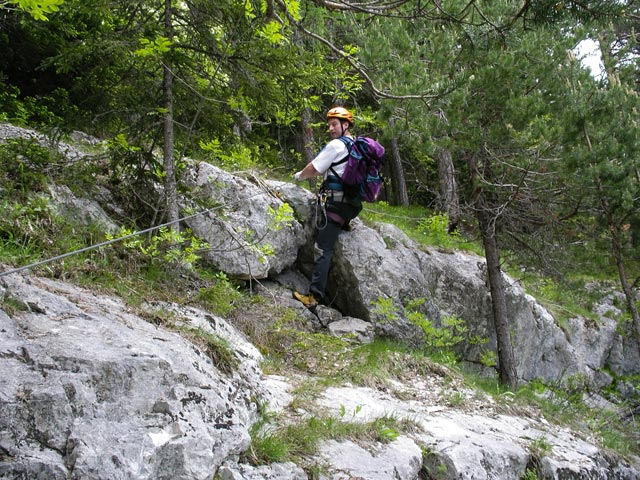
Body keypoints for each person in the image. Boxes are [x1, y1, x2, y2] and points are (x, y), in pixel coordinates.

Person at [292, 106, 363, 308]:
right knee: (329, 238)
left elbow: (314, 168)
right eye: (329, 125)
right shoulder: (356, 145)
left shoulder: (336, 145)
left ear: (345, 124)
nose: (331, 128)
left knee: (323, 249)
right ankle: (344, 224)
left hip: (335, 204)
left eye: (334, 124)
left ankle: (314, 297)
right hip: (351, 206)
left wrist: (298, 176)